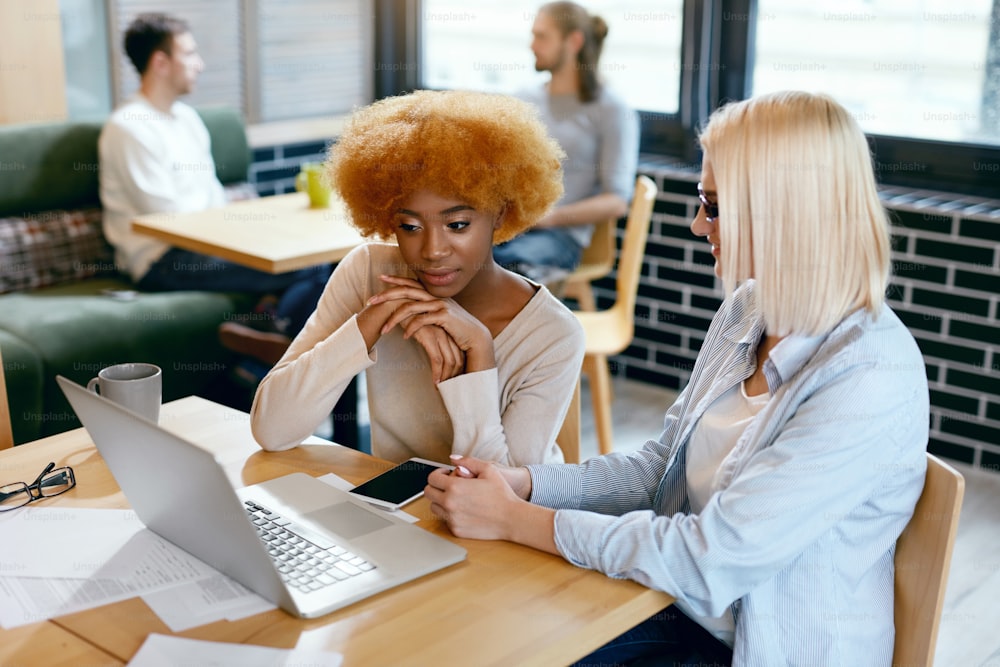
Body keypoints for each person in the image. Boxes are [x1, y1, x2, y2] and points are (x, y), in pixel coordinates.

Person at [425, 90, 930, 665]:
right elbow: (660, 469)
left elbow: (710, 560)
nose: (697, 225)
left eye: (713, 206)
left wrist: (520, 521)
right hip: (674, 613)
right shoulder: (750, 308)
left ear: (783, 210)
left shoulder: (868, 376)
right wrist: (530, 486)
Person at [250, 90, 585, 466]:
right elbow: (273, 430)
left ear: (501, 214)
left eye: (457, 224)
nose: (432, 250)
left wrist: (479, 355)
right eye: (409, 226)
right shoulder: (369, 274)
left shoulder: (552, 334)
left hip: (488, 520)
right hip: (395, 510)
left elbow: (499, 499)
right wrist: (373, 318)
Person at [98, 13, 328, 363]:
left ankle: (271, 338)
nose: (200, 64)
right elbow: (169, 219)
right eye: (189, 54)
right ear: (160, 62)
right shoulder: (128, 128)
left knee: (318, 253)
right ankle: (282, 343)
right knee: (306, 266)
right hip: (162, 259)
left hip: (208, 242)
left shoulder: (187, 119)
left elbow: (213, 197)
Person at [492, 1, 639, 276]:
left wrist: (548, 219)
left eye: (542, 36)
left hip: (560, 236)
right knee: (458, 254)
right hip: (511, 227)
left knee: (501, 267)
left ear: (574, 41)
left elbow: (617, 200)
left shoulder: (611, 109)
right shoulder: (524, 97)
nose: (532, 45)